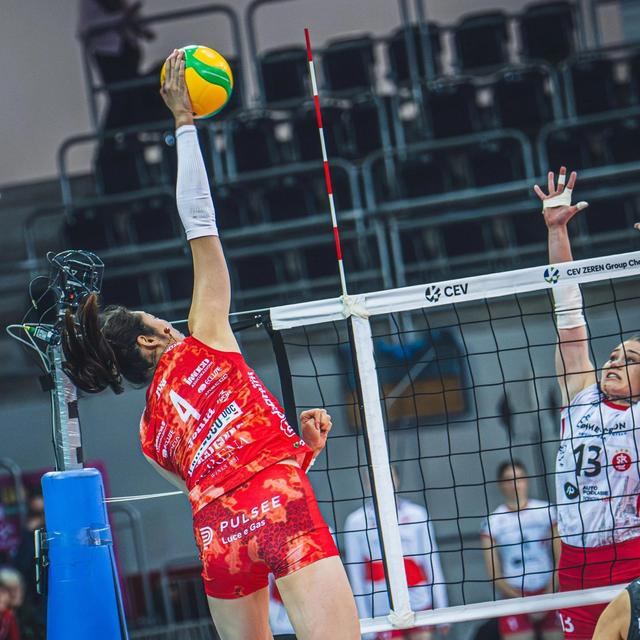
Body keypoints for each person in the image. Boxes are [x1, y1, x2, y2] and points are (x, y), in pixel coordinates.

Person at [60, 50, 360, 640]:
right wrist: (184, 123)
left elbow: (217, 482)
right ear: (150, 338)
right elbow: (200, 220)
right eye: (159, 320)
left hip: (220, 539)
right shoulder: (206, 337)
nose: (171, 321)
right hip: (279, 505)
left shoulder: (148, 435)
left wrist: (301, 451)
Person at [536, 166, 640, 639]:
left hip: (631, 556)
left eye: (630, 360)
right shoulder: (582, 395)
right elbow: (569, 316)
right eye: (614, 354)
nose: (614, 361)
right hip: (575, 563)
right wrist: (557, 232)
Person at [343, 468, 448, 640]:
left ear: (397, 479)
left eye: (388, 476)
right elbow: (355, 576)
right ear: (366, 484)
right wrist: (365, 623)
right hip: (380, 607)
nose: (381, 481)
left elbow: (432, 562)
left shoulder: (417, 514)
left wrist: (442, 609)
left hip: (418, 599)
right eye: (373, 478)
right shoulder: (356, 522)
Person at [480, 460, 562, 640]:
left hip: (549, 590)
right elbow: (494, 575)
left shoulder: (546, 512)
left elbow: (561, 559)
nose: (515, 484)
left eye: (519, 478)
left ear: (527, 480)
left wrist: (548, 595)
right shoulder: (493, 522)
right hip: (514, 596)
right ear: (500, 484)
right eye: (509, 480)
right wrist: (524, 603)